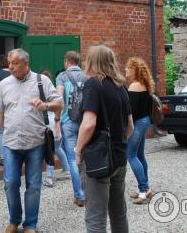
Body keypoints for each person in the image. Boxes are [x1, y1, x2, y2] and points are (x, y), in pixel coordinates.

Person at [0, 48, 63, 233]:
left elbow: (59, 103)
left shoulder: (42, 81)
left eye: (14, 63)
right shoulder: (5, 84)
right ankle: (14, 220)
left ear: (26, 63)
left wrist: (45, 105)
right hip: (11, 143)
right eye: (9, 63)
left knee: (34, 185)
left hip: (35, 142)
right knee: (10, 183)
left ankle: (30, 224)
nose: (10, 67)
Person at [75, 45, 133, 233]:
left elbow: (89, 123)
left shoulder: (93, 84)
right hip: (119, 159)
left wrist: (78, 149)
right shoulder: (121, 87)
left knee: (96, 217)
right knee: (118, 213)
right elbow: (129, 127)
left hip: (98, 160)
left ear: (92, 61)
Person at [55, 51, 86, 206]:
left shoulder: (62, 76)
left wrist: (57, 120)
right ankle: (89, 192)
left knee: (72, 158)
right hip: (85, 122)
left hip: (68, 121)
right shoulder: (87, 76)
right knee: (85, 155)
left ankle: (79, 196)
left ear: (67, 61)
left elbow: (59, 99)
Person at [124, 57, 154, 205]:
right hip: (144, 122)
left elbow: (131, 111)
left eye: (128, 68)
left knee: (131, 155)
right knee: (140, 155)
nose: (125, 70)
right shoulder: (144, 85)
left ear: (135, 70)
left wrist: (125, 127)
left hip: (137, 123)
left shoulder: (134, 86)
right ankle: (146, 187)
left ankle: (143, 190)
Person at [38, 69, 70, 188]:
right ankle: (66, 169)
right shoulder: (53, 91)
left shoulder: (41, 92)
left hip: (48, 125)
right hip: (55, 124)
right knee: (57, 148)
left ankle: (49, 177)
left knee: (49, 151)